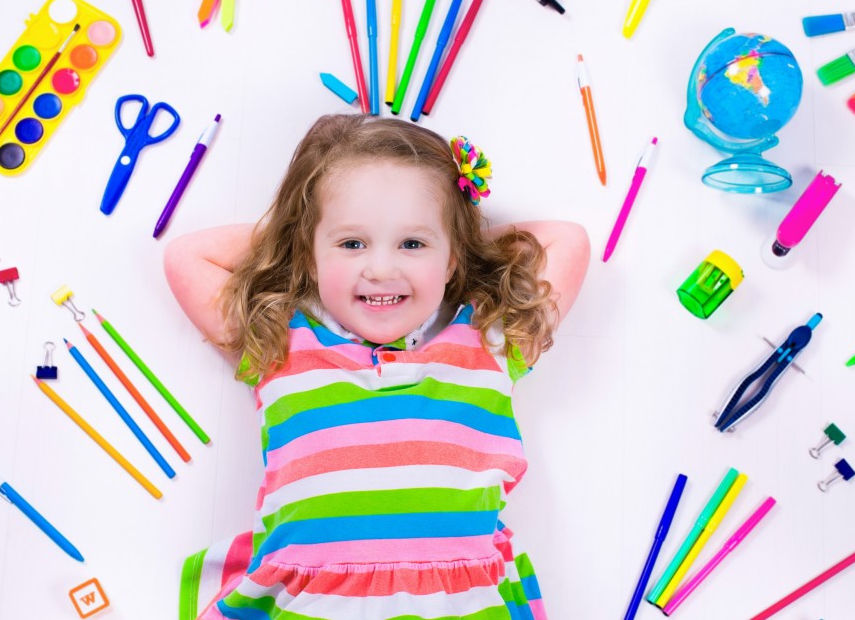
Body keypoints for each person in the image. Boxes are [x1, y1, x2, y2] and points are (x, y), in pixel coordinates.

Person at [165, 114, 590, 620]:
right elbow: (187, 257)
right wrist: (296, 235)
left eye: (413, 244)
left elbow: (568, 241)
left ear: (451, 259)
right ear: (309, 253)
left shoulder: (488, 343)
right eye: (351, 243)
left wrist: (458, 237)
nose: (382, 268)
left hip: (459, 604)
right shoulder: (280, 343)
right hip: (310, 603)